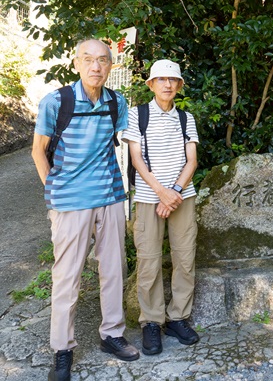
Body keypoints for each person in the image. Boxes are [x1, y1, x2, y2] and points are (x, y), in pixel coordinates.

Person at [32, 39, 139, 381]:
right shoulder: (56, 101)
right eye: (88, 60)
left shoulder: (116, 102)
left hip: (109, 197)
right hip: (69, 202)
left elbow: (117, 145)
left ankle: (112, 334)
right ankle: (62, 349)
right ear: (76, 63)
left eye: (103, 61)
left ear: (112, 65)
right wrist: (55, 192)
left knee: (113, 269)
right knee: (67, 277)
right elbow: (38, 151)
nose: (96, 66)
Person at [122, 59, 200, 356]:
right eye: (161, 79)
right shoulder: (136, 115)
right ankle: (151, 322)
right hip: (148, 197)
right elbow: (136, 159)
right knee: (149, 260)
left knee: (184, 258)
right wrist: (161, 193)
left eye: (173, 80)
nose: (167, 84)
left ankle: (178, 317)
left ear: (179, 86)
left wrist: (175, 192)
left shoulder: (185, 118)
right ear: (151, 84)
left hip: (183, 196)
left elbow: (191, 160)